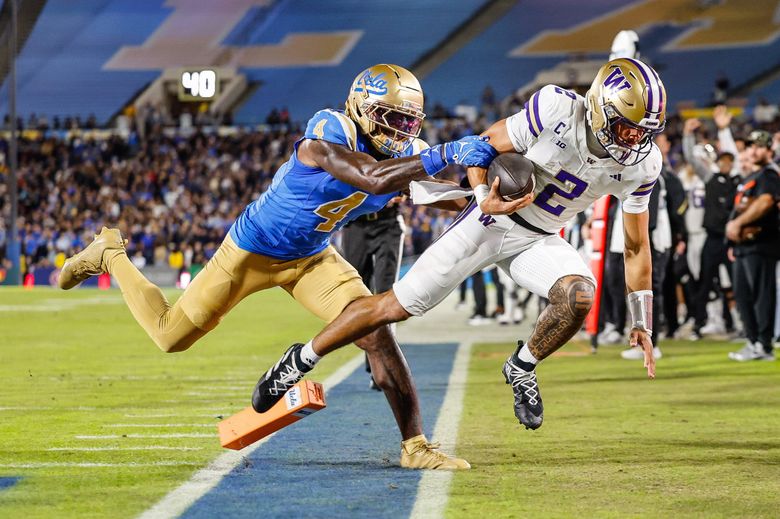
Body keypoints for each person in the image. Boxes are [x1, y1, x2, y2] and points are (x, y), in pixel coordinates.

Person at [56, 64, 498, 470]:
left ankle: (416, 446)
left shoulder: (410, 154)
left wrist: (488, 197)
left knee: (376, 331)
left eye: (409, 122)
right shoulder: (329, 130)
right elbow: (371, 178)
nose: (401, 131)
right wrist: (445, 154)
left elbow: (449, 197)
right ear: (361, 108)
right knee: (170, 335)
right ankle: (110, 252)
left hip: (311, 258)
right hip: (251, 251)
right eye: (392, 118)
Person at [257, 58, 665, 431]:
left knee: (578, 296)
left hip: (539, 238)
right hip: (488, 221)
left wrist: (641, 321)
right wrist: (481, 192)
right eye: (627, 127)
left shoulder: (643, 165)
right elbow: (482, 145)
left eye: (644, 132)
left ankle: (522, 366)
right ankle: (301, 359)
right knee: (392, 307)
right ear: (598, 107)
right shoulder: (557, 109)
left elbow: (635, 243)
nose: (633, 141)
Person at [726, 130, 779, 361]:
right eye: (751, 146)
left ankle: (764, 345)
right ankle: (752, 340)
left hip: (761, 244)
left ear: (770, 151)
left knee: (761, 295)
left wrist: (737, 223)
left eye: (759, 146)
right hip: (743, 247)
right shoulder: (749, 178)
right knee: (743, 296)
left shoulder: (768, 175)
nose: (754, 150)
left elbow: (766, 201)